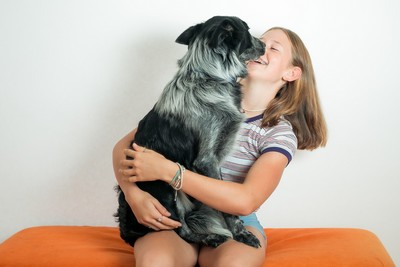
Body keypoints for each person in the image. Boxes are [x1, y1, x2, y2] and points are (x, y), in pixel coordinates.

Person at [112, 27, 327, 267]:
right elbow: (124, 147)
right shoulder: (195, 97)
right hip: (173, 215)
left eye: (274, 47)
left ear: (291, 73)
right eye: (259, 41)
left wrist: (168, 172)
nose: (260, 46)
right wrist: (133, 194)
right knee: (156, 261)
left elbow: (247, 200)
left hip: (234, 223)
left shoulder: (278, 133)